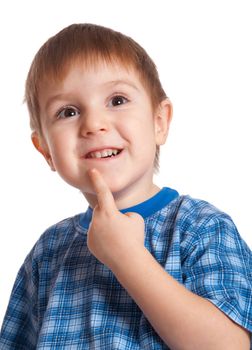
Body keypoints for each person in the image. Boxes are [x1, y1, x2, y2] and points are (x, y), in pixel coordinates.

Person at [0, 23, 251, 349]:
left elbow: (229, 345)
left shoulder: (200, 227)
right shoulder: (48, 253)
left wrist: (127, 257)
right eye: (68, 111)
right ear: (46, 150)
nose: (93, 124)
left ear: (159, 122)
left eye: (117, 100)